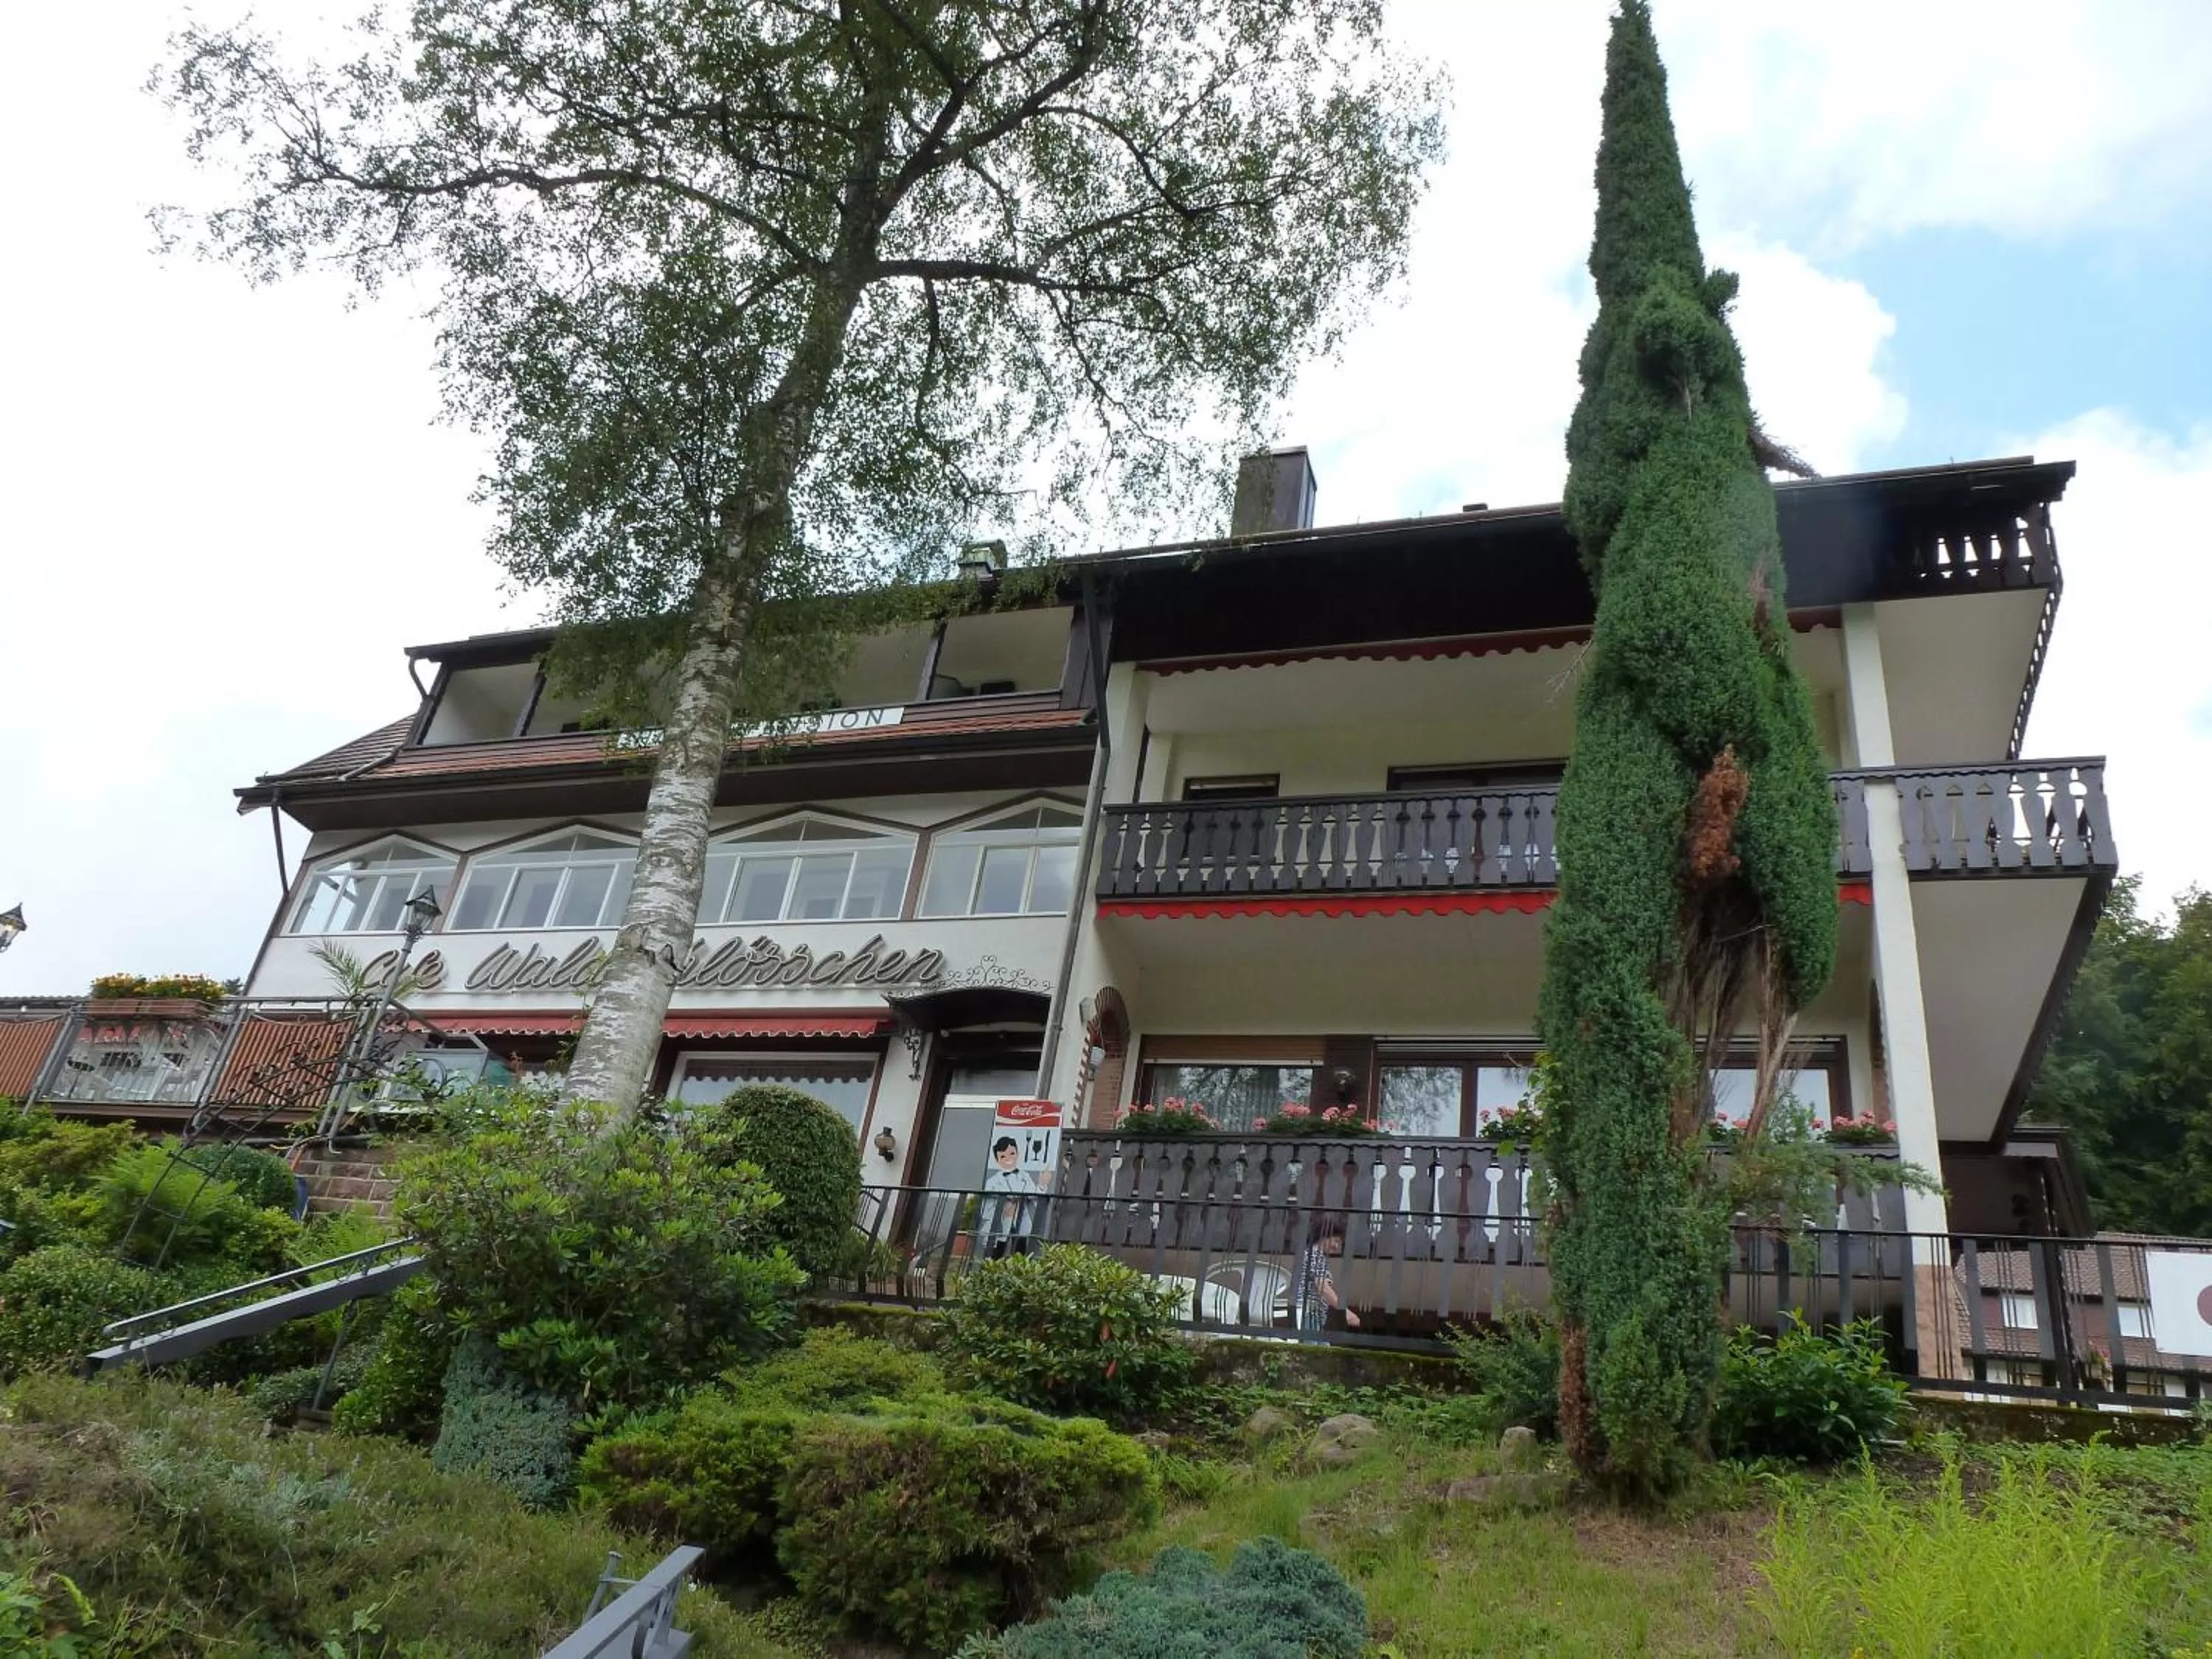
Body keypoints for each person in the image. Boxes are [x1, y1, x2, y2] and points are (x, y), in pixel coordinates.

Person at [980, 1135, 1043, 1258]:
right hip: (1001, 1221)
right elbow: (987, 1202)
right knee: (997, 1249)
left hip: (1021, 1219)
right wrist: (1007, 1205)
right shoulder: (993, 1181)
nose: (1008, 1159)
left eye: (1012, 1154)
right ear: (997, 1160)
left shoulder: (1025, 1176)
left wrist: (1042, 1184)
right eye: (1003, 1156)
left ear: (1017, 1154)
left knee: (1020, 1248)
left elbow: (1033, 1194)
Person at [1295, 1217, 1361, 1332]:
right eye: (1336, 1241)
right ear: (1324, 1237)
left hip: (1309, 1313)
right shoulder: (1315, 1256)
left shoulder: (1311, 1255)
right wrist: (1345, 1311)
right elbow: (1322, 1287)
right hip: (1309, 1312)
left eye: (1340, 1243)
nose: (1337, 1247)